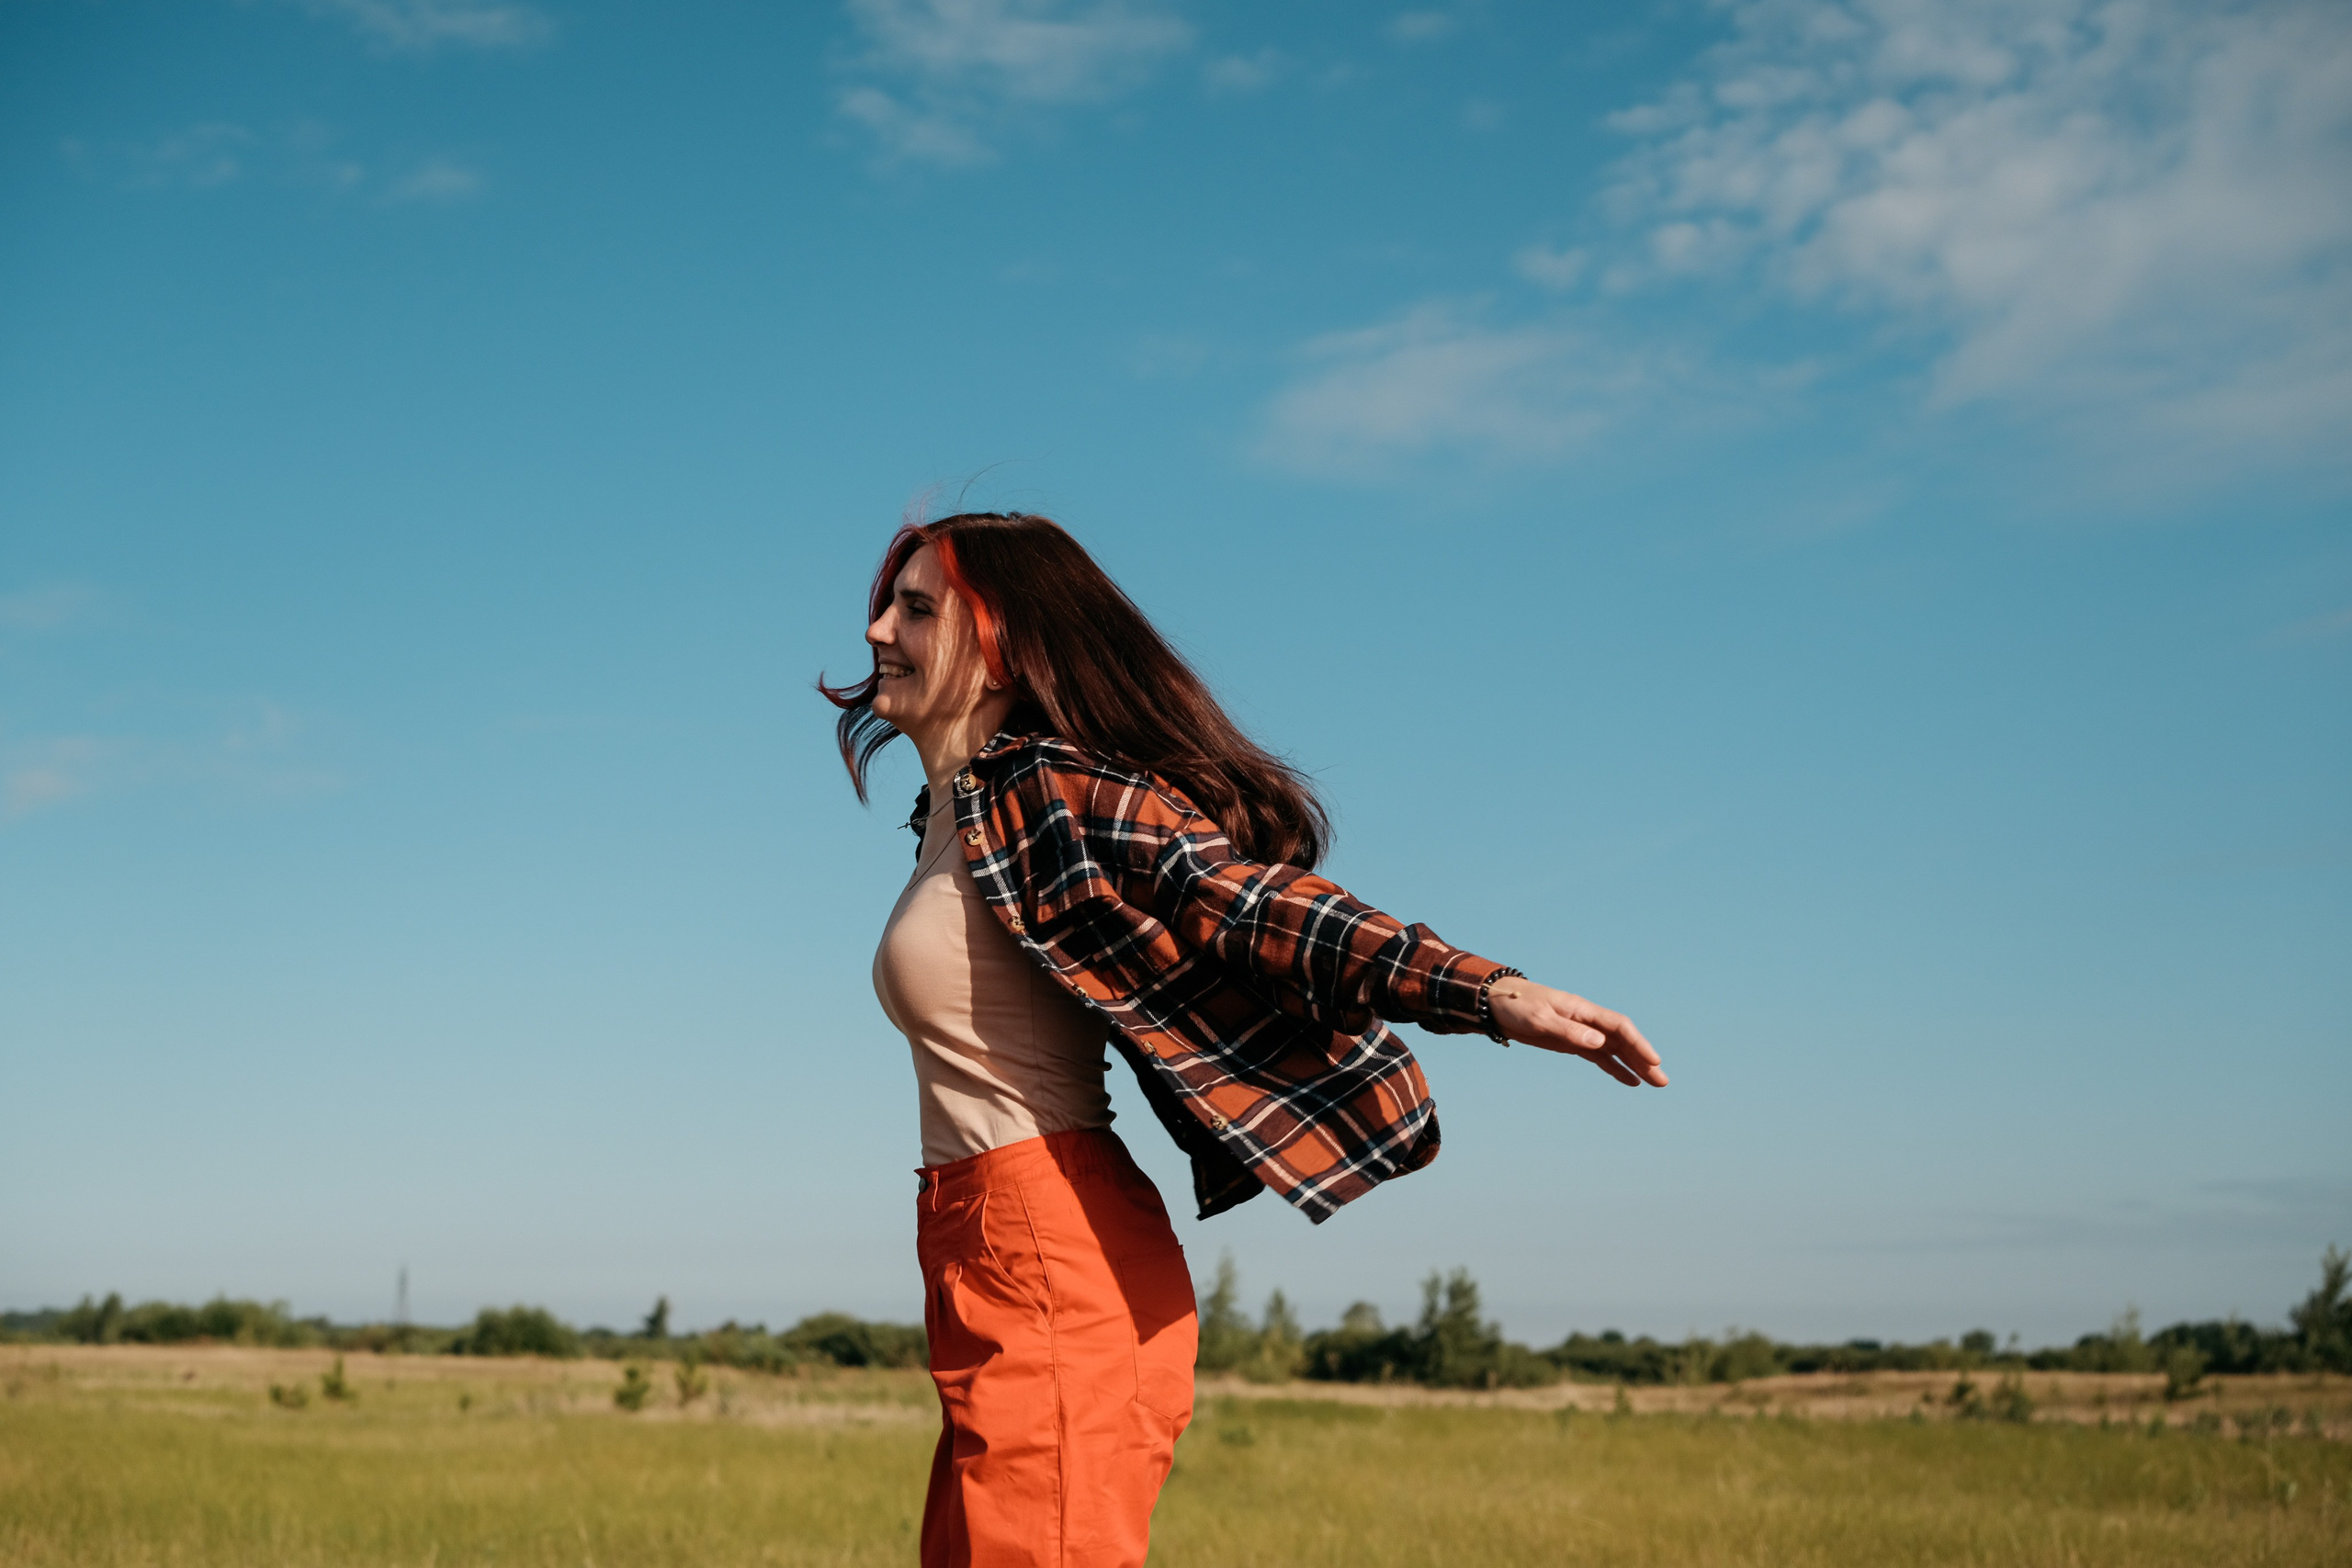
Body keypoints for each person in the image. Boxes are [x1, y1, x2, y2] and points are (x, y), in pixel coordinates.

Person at [823, 512, 1666, 1568]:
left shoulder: (1050, 786)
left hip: (1049, 1246)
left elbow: (1240, 899)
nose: (873, 633)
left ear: (1000, 641)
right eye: (883, 602)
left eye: (915, 608)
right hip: (978, 1239)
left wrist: (1485, 991)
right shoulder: (952, 813)